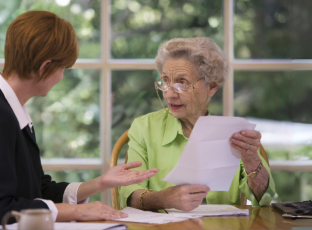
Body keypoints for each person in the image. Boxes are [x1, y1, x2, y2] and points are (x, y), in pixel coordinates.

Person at [0, 11, 158, 229]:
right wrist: (78, 212)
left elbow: (37, 191)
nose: (61, 76)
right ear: (45, 67)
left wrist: (99, 183)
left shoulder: (8, 109)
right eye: (63, 68)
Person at [118, 37, 275, 212]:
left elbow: (264, 199)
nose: (169, 94)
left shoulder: (235, 134)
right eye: (165, 81)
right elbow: (128, 195)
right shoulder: (144, 128)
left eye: (182, 83)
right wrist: (163, 199)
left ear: (212, 87)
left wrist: (251, 160)